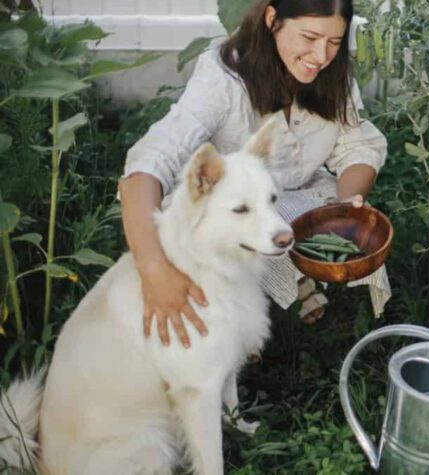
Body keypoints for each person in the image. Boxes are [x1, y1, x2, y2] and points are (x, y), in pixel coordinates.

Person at [118, 0, 390, 349]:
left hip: (295, 193)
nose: (321, 55)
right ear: (272, 18)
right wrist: (153, 270)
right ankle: (229, 321)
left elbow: (356, 146)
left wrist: (344, 206)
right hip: (234, 207)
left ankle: (285, 287)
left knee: (310, 218)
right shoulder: (224, 78)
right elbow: (149, 163)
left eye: (334, 42)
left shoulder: (332, 76)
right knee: (239, 228)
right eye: (309, 37)